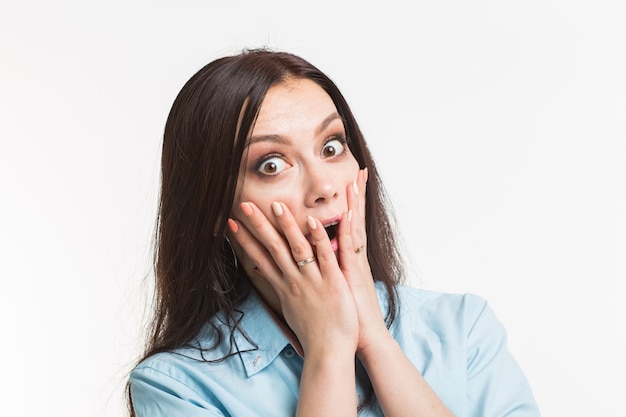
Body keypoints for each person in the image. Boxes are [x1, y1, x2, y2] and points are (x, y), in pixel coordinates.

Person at [127, 48, 541, 417]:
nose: (324, 188)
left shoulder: (461, 329)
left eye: (331, 147)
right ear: (216, 209)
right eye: (271, 164)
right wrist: (329, 349)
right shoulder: (179, 388)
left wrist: (376, 342)